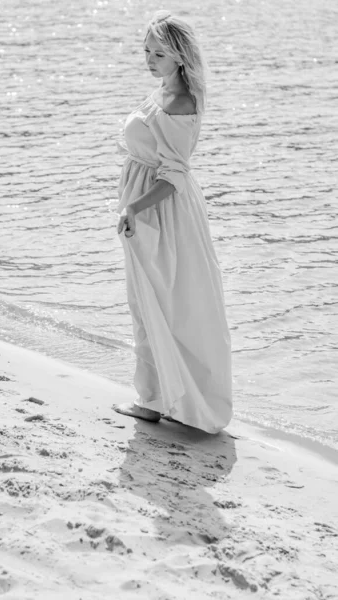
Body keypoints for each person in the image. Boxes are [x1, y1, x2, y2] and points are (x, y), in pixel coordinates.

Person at [112, 10, 232, 433]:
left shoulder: (180, 104)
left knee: (163, 305)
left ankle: (165, 401)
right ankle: (155, 396)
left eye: (159, 53)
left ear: (179, 55)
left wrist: (134, 208)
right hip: (146, 209)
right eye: (146, 50)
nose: (149, 59)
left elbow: (174, 176)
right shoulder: (163, 89)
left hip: (160, 214)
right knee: (146, 305)